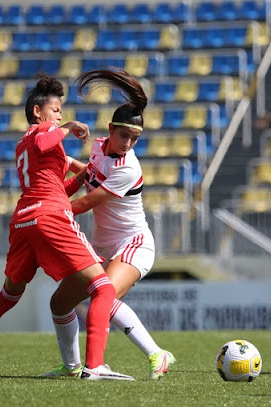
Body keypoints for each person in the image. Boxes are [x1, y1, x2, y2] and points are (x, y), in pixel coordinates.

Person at [0, 73, 134, 380]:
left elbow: (56, 187)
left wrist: (84, 177)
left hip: (24, 220)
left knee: (7, 296)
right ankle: (94, 366)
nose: (60, 115)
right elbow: (46, 139)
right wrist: (67, 127)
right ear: (38, 112)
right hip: (49, 216)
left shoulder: (24, 146)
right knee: (103, 286)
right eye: (56, 110)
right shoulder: (42, 132)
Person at [41, 67, 176, 380]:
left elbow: (88, 203)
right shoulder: (100, 147)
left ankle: (155, 356)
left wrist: (51, 215)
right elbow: (85, 175)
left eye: (135, 138)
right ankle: (71, 367)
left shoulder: (128, 168)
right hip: (102, 245)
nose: (128, 143)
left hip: (133, 244)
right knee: (60, 303)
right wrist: (55, 188)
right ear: (110, 129)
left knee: (106, 297)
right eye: (124, 135)